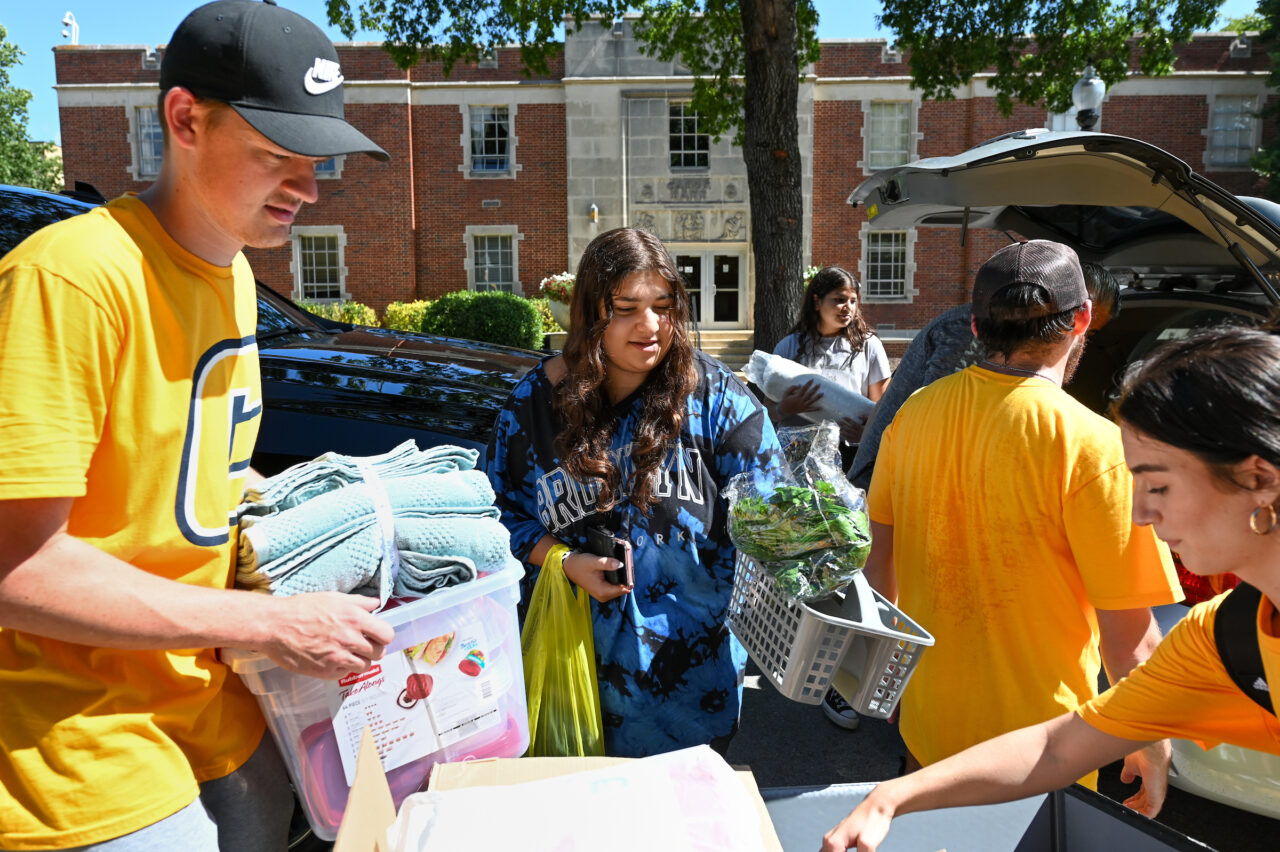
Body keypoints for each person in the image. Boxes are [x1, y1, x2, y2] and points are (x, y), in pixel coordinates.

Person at [0, 3, 394, 850]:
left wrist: (317, 516)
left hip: (221, 715)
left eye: (317, 160)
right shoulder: (68, 280)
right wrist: (272, 626)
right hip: (85, 753)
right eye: (277, 155)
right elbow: (16, 567)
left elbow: (189, 473)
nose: (308, 187)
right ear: (184, 119)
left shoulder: (234, 273)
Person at [822, 323, 1280, 852]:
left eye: (1158, 485)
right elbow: (1058, 748)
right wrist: (890, 798)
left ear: (1258, 479)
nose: (1140, 513)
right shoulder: (1221, 639)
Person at [859, 240, 1182, 784]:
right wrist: (1151, 744)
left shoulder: (913, 415)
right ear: (1082, 318)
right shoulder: (1097, 448)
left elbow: (878, 573)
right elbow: (1130, 641)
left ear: (977, 328)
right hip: (1039, 753)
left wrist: (888, 677)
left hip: (928, 726)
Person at [486, 227, 783, 757]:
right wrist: (561, 560)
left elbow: (775, 512)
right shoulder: (534, 407)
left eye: (663, 307)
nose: (649, 326)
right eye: (625, 309)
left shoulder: (717, 399)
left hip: (694, 692)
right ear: (589, 313)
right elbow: (492, 517)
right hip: (573, 686)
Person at [848, 261, 1121, 491]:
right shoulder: (965, 329)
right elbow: (938, 429)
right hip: (888, 487)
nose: (1079, 339)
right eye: (1075, 321)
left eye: (1091, 332)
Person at [771, 266, 891, 458]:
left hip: (850, 455)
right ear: (817, 302)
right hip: (797, 455)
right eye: (839, 300)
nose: (848, 307)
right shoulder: (789, 346)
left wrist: (865, 435)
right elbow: (767, 411)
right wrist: (784, 409)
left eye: (853, 301)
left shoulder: (869, 346)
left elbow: (883, 410)